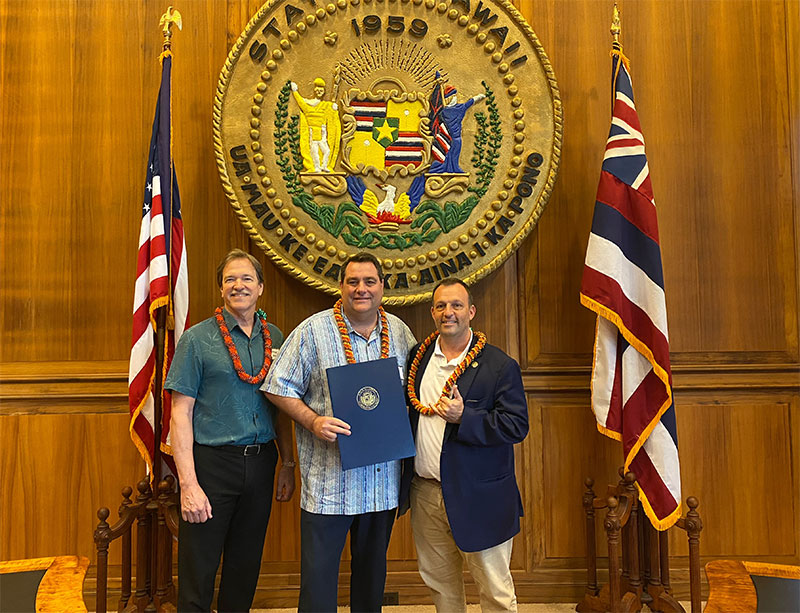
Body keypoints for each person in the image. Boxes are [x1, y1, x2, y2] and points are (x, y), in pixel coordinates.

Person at [263, 252, 416, 613]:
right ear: (341, 286)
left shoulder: (399, 332)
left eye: (369, 282)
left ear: (382, 287)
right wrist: (313, 421)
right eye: (353, 282)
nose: (361, 289)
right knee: (318, 585)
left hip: (381, 484)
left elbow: (413, 389)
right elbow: (276, 386)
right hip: (330, 485)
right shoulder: (312, 331)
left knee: (371, 581)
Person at [165, 249, 296, 612]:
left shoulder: (275, 336)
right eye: (230, 280)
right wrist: (188, 484)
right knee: (199, 567)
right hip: (212, 465)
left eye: (246, 279)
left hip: (261, 464)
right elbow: (180, 413)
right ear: (221, 289)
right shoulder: (196, 339)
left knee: (245, 565)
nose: (239, 285)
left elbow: (281, 405)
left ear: (261, 288)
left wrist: (287, 463)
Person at [398, 278, 529, 613]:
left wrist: (464, 417)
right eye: (441, 306)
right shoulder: (419, 357)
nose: (448, 313)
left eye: (456, 305)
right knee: (440, 587)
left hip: (480, 496)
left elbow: (517, 426)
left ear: (471, 311)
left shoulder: (500, 366)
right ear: (432, 312)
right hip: (425, 492)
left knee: (495, 590)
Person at [291, 77, 341, 173]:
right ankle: (316, 167)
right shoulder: (308, 105)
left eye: (321, 90)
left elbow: (331, 109)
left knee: (326, 151)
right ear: (315, 90)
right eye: (318, 90)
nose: (319, 92)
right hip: (312, 132)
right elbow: (300, 101)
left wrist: (334, 108)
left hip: (322, 132)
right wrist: (295, 91)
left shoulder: (325, 105)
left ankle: (324, 166)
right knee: (314, 152)